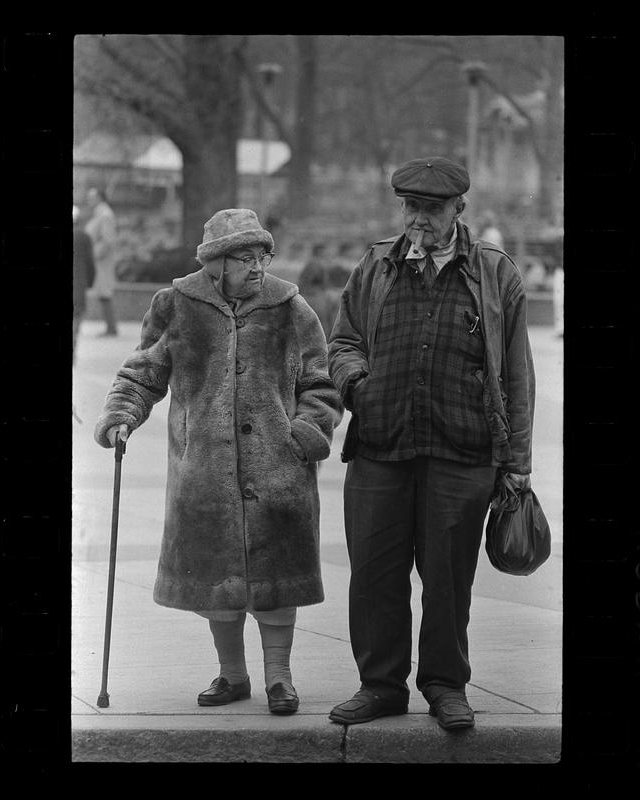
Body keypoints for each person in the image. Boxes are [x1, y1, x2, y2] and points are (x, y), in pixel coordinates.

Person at [94, 208, 342, 714]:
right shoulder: (175, 306)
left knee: (276, 582)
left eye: (262, 256)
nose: (257, 267)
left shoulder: (291, 308)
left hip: (278, 470)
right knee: (216, 584)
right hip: (202, 471)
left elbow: (321, 383)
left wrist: (306, 432)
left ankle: (280, 679)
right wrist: (122, 415)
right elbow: (143, 374)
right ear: (215, 264)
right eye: (245, 258)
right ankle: (233, 676)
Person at [327, 157, 535, 730]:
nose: (420, 218)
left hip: (463, 450)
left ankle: (445, 685)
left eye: (433, 208)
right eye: (411, 207)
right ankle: (380, 686)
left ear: (459, 210)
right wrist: (358, 385)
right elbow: (341, 341)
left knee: (447, 580)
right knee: (373, 574)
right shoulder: (375, 264)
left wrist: (516, 463)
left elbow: (517, 373)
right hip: (379, 445)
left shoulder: (495, 273)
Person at [84, 185, 119, 336]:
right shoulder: (100, 214)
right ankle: (110, 327)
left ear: (99, 198)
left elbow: (108, 241)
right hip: (98, 260)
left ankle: (111, 328)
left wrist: (93, 256)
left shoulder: (105, 215)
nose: (89, 200)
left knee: (105, 292)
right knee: (103, 293)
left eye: (91, 197)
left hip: (102, 261)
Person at [72, 205, 95, 365]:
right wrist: (90, 281)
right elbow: (90, 263)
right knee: (76, 319)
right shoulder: (84, 236)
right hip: (78, 286)